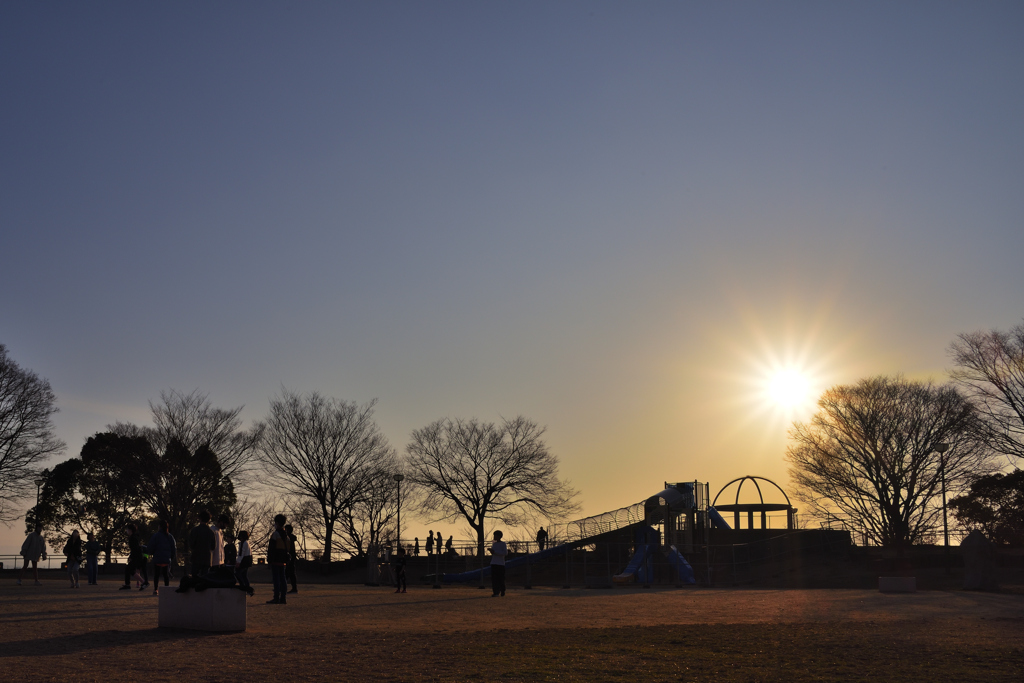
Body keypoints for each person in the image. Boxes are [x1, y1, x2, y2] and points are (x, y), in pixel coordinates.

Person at [147, 520, 177, 594]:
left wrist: (151, 553)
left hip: (157, 558)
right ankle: (166, 589)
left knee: (156, 575)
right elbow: (174, 548)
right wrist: (171, 557)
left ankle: (155, 589)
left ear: (159, 527)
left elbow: (151, 546)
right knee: (165, 575)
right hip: (166, 559)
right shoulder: (170, 536)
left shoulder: (155, 536)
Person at [267, 513, 290, 604]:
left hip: (275, 559)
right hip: (283, 560)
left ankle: (276, 597)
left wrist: (269, 560)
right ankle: (283, 597)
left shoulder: (275, 534)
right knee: (283, 579)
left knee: (276, 579)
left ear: (276, 523)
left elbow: (271, 548)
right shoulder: (286, 536)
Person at [120, 524, 148, 591]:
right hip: (137, 556)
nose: (127, 531)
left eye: (127, 530)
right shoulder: (134, 537)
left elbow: (135, 549)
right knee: (129, 570)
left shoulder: (133, 538)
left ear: (130, 530)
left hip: (136, 557)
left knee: (129, 569)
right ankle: (141, 582)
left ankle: (143, 582)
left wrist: (131, 557)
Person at [187, 510, 215, 577]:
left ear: (200, 518)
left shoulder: (195, 530)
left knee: (194, 577)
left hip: (196, 557)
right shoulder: (211, 532)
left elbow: (191, 544)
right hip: (207, 559)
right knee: (205, 578)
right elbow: (213, 546)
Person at [235, 529, 254, 596]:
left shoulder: (243, 543)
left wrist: (238, 562)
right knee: (244, 575)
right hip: (248, 560)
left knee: (238, 574)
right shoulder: (247, 543)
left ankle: (244, 587)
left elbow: (241, 553)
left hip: (244, 561)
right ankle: (247, 589)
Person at [489, 530, 507, 597]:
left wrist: (495, 552)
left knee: (501, 578)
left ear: (499, 536)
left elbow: (505, 553)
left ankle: (502, 590)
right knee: (494, 579)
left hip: (500, 564)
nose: (494, 537)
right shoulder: (494, 544)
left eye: (495, 535)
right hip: (494, 562)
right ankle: (496, 592)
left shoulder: (503, 544)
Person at [285, 524, 298, 594]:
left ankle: (293, 588)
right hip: (292, 556)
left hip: (289, 556)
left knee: (289, 572)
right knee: (290, 573)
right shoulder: (292, 538)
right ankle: (293, 588)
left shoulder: (287, 538)